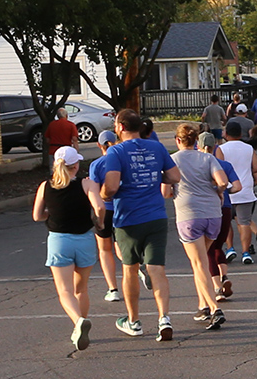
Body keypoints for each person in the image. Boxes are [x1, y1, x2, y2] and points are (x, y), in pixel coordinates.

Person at [102, 109, 181, 341]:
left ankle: (133, 320)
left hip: (128, 219)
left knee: (130, 269)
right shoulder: (156, 147)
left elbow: (112, 185)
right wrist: (156, 177)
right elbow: (175, 176)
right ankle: (164, 317)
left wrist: (105, 194)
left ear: (121, 127)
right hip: (156, 215)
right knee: (157, 269)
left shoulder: (115, 151)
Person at [33, 146, 106, 351]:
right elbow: (99, 206)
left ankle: (78, 322)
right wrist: (98, 222)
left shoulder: (45, 186)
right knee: (80, 289)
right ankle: (82, 320)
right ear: (76, 165)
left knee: (64, 290)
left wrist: (52, 214)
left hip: (59, 240)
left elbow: (37, 215)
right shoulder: (86, 184)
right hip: (84, 239)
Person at [164, 123, 230, 331]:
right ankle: (202, 304)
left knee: (199, 263)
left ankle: (213, 307)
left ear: (177, 140)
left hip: (188, 215)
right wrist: (216, 190)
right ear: (195, 141)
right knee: (199, 261)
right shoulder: (208, 158)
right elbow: (223, 182)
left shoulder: (172, 160)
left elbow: (165, 192)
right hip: (212, 213)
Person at [198, 132, 241, 303]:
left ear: (199, 146)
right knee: (219, 246)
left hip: (206, 208)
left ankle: (217, 287)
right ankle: (224, 276)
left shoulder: (198, 165)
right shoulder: (224, 164)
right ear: (215, 146)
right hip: (225, 208)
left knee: (207, 249)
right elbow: (238, 186)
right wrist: (226, 192)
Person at [220, 121, 257, 265]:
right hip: (245, 190)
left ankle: (230, 248)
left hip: (228, 189)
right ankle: (246, 252)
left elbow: (218, 168)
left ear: (226, 134)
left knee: (226, 222)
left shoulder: (221, 149)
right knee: (244, 222)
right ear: (240, 134)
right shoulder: (248, 148)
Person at [89, 130, 121, 302]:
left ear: (99, 145)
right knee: (121, 246)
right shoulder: (120, 160)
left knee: (104, 249)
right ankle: (138, 267)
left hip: (105, 208)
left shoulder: (96, 164)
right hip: (122, 207)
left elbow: (95, 190)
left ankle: (113, 288)